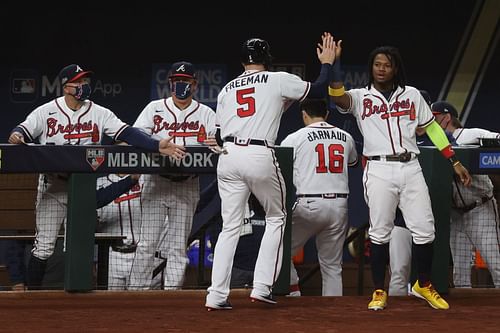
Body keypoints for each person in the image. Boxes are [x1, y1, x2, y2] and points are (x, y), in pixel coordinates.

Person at [8, 63, 186, 290]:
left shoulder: (99, 113)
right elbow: (22, 130)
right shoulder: (46, 111)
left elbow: (127, 132)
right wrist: (16, 134)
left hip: (82, 186)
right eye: (79, 82)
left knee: (79, 246)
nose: (84, 85)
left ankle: (78, 296)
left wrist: (156, 145)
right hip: (53, 186)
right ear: (66, 87)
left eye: (85, 81)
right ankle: (31, 297)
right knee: (44, 247)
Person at [328, 41, 472, 310]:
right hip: (379, 168)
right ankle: (379, 291)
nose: (381, 69)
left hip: (410, 166)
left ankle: (423, 285)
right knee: (380, 232)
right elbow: (338, 97)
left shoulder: (412, 95)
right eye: (377, 64)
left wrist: (453, 161)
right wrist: (333, 65)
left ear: (395, 69)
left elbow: (433, 130)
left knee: (426, 230)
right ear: (371, 68)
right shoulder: (361, 97)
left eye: (387, 65)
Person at [204, 33, 336, 311]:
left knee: (230, 227)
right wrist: (326, 63)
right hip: (258, 153)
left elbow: (216, 135)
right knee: (277, 217)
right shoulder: (276, 79)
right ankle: (263, 287)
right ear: (267, 59)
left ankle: (216, 295)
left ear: (243, 61)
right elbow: (319, 89)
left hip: (228, 155)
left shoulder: (227, 88)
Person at [129, 61, 216, 290]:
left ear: (194, 85)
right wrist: (156, 144)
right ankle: (137, 293)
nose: (181, 85)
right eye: (178, 81)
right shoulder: (154, 108)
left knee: (178, 246)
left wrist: (213, 144)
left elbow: (216, 147)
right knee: (147, 243)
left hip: (187, 184)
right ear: (170, 83)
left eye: (186, 82)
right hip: (156, 181)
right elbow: (136, 137)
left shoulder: (206, 113)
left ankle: (172, 295)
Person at [280, 98, 358, 296]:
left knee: (280, 249)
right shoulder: (345, 136)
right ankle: (333, 314)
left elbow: (280, 171)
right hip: (339, 205)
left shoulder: (294, 138)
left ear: (304, 114)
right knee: (332, 266)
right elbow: (353, 162)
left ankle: (294, 291)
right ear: (327, 114)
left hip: (309, 203)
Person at [431, 100, 500, 288]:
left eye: (435, 117)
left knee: (495, 263)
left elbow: (497, 139)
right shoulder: (434, 144)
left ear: (446, 118)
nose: (430, 122)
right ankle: (463, 317)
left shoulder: (470, 134)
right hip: (455, 214)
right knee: (460, 273)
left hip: (480, 208)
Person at [96, 173, 142, 290]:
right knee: (111, 303)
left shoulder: (144, 180)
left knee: (142, 303)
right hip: (112, 256)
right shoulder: (99, 183)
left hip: (141, 254)